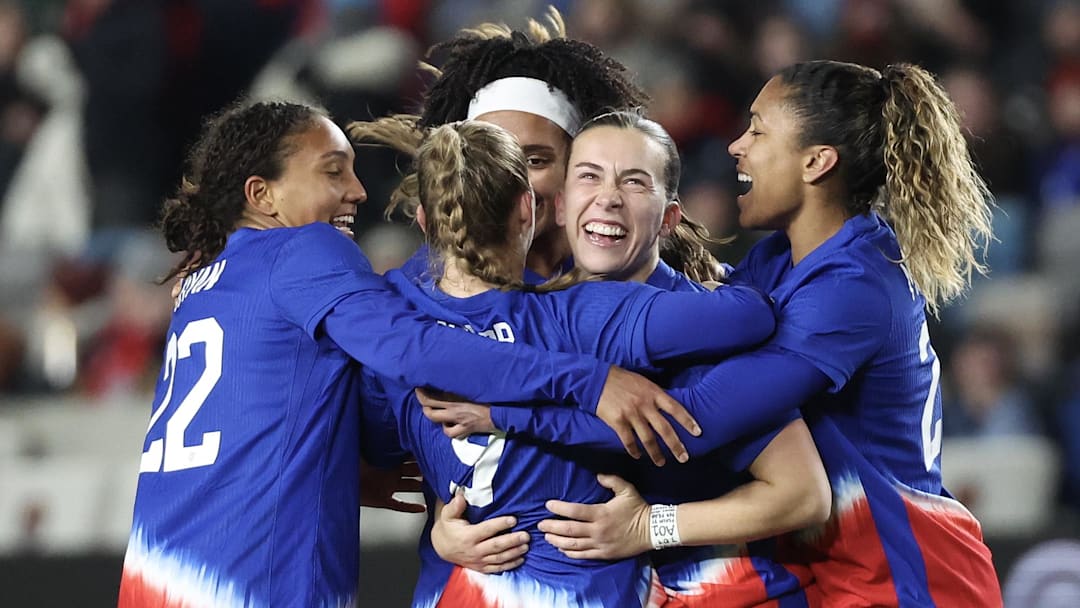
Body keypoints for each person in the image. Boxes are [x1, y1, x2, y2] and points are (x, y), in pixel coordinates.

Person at [431, 61, 1004, 606]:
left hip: (908, 580)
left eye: (757, 130)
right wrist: (449, 525)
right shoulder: (776, 261)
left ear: (816, 162)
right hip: (832, 577)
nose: (736, 145)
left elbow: (699, 416)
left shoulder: (853, 288)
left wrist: (509, 413)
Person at [117, 100, 695, 608]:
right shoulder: (303, 247)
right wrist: (591, 382)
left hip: (155, 572)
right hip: (249, 584)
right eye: (332, 170)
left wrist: (340, 465)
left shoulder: (202, 284)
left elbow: (249, 413)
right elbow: (413, 347)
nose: (358, 191)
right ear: (261, 194)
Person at [360, 118, 807, 607]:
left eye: (633, 181)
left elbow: (801, 493)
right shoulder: (579, 315)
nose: (608, 198)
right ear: (538, 208)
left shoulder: (389, 329)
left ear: (424, 220)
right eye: (590, 176)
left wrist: (651, 525)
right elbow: (750, 315)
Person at [355, 6, 720, 285]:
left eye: (535, 160)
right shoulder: (426, 289)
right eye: (490, 158)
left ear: (578, 168)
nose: (510, 179)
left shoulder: (653, 282)